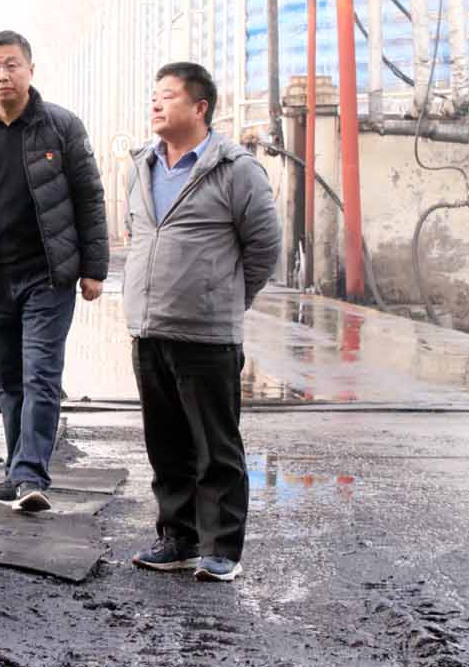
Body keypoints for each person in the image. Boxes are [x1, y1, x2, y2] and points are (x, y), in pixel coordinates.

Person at [0, 30, 108, 513]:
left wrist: (93, 268)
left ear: (31, 70)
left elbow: (89, 197)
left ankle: (31, 475)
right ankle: (18, 474)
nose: (2, 75)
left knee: (40, 376)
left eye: (12, 65)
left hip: (47, 276)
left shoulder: (61, 126)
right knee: (9, 381)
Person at [125, 62, 280, 583]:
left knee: (215, 447)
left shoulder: (235, 169)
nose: (155, 103)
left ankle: (221, 548)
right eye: (153, 94)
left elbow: (264, 247)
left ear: (200, 108)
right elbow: (137, 234)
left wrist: (226, 298)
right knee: (165, 443)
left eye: (167, 95)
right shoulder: (141, 166)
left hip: (207, 333)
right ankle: (178, 538)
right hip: (150, 328)